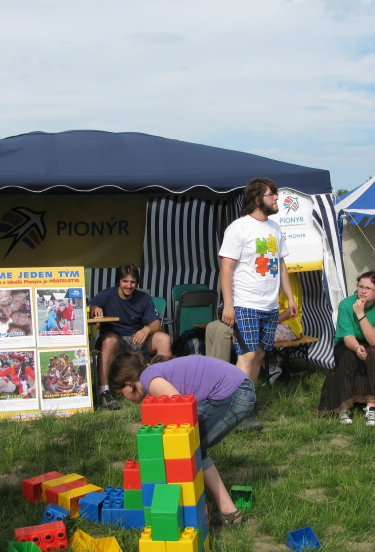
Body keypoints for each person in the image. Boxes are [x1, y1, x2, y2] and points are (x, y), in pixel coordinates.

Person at [109, 353, 254, 526]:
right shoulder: (152, 373)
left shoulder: (148, 379)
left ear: (128, 384)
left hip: (234, 393)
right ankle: (224, 510)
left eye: (121, 393)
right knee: (194, 449)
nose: (124, 398)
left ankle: (219, 511)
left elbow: (180, 411)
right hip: (239, 389)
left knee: (188, 449)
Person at [218, 178, 297, 430]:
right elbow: (226, 268)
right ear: (256, 199)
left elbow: (281, 266)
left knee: (260, 354)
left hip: (270, 306)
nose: (276, 198)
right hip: (246, 303)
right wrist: (228, 304)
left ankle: (247, 405)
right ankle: (235, 411)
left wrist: (290, 297)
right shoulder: (239, 228)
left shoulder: (274, 228)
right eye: (271, 194)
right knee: (247, 355)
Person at [88, 263, 171, 410]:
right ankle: (104, 391)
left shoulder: (143, 298)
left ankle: (161, 385)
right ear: (118, 282)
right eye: (125, 281)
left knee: (163, 338)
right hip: (115, 340)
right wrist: (94, 308)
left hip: (136, 338)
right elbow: (90, 306)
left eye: (132, 282)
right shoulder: (107, 294)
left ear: (137, 283)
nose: (129, 285)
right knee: (109, 340)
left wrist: (146, 329)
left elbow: (156, 324)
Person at [317, 271, 375, 426]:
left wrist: (361, 315)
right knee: (348, 354)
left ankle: (372, 406)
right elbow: (347, 337)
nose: (363, 291)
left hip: (373, 343)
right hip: (350, 343)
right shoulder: (346, 304)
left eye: (368, 288)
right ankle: (344, 407)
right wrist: (357, 347)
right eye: (360, 287)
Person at [206, 272, 304, 384]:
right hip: (260, 318)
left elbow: (290, 311)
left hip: (287, 326)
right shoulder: (264, 274)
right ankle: (210, 372)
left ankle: (219, 379)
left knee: (226, 331)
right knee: (212, 327)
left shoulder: (289, 277)